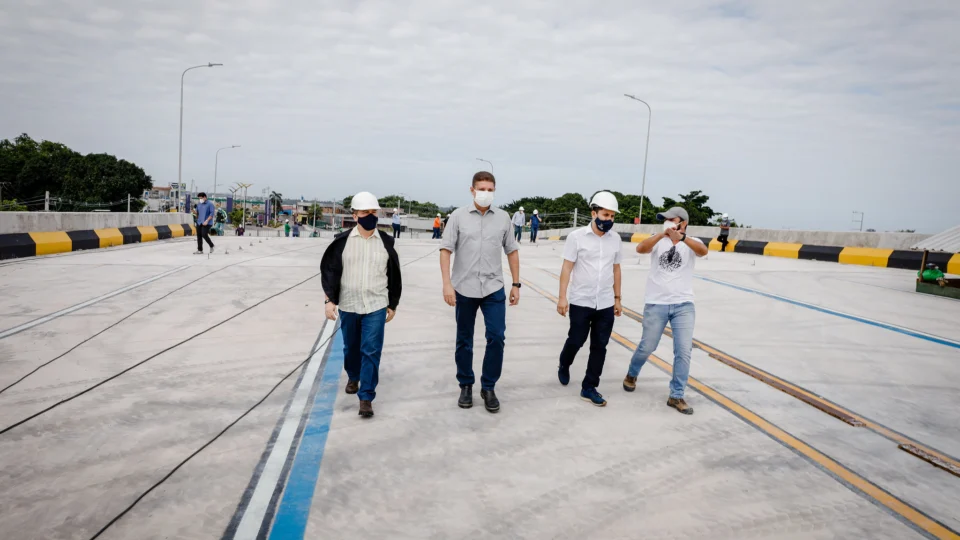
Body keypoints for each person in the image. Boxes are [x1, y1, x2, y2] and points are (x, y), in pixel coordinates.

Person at [440, 171, 520, 413]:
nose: (486, 193)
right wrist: (446, 284)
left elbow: (512, 251)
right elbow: (445, 250)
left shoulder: (504, 218)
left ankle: (489, 387)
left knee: (497, 337)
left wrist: (516, 283)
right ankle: (466, 384)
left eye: (490, 189)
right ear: (472, 190)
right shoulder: (457, 216)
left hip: (494, 288)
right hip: (464, 287)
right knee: (464, 340)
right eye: (481, 188)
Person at [321, 191, 402, 419]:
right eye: (365, 212)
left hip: (376, 304)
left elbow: (394, 275)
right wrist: (329, 300)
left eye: (373, 212)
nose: (370, 216)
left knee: (371, 350)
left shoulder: (386, 242)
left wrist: (392, 303)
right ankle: (353, 375)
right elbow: (330, 273)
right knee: (351, 347)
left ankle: (366, 397)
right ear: (355, 215)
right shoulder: (341, 242)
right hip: (349, 304)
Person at [622, 207, 708, 415]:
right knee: (647, 345)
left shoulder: (692, 241)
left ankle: (676, 395)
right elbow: (640, 249)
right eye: (665, 220)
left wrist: (682, 237)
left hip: (683, 304)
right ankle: (632, 373)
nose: (668, 222)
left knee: (683, 350)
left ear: (683, 223)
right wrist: (663, 234)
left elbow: (703, 251)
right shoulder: (657, 239)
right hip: (656, 303)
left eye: (673, 219)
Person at [556, 192, 623, 407]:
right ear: (593, 213)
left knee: (600, 346)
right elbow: (567, 268)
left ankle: (589, 386)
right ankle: (564, 363)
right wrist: (562, 298)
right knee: (576, 340)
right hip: (580, 301)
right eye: (605, 215)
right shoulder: (577, 237)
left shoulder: (616, 239)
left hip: (605, 302)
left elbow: (616, 269)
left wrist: (617, 298)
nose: (609, 220)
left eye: (612, 216)